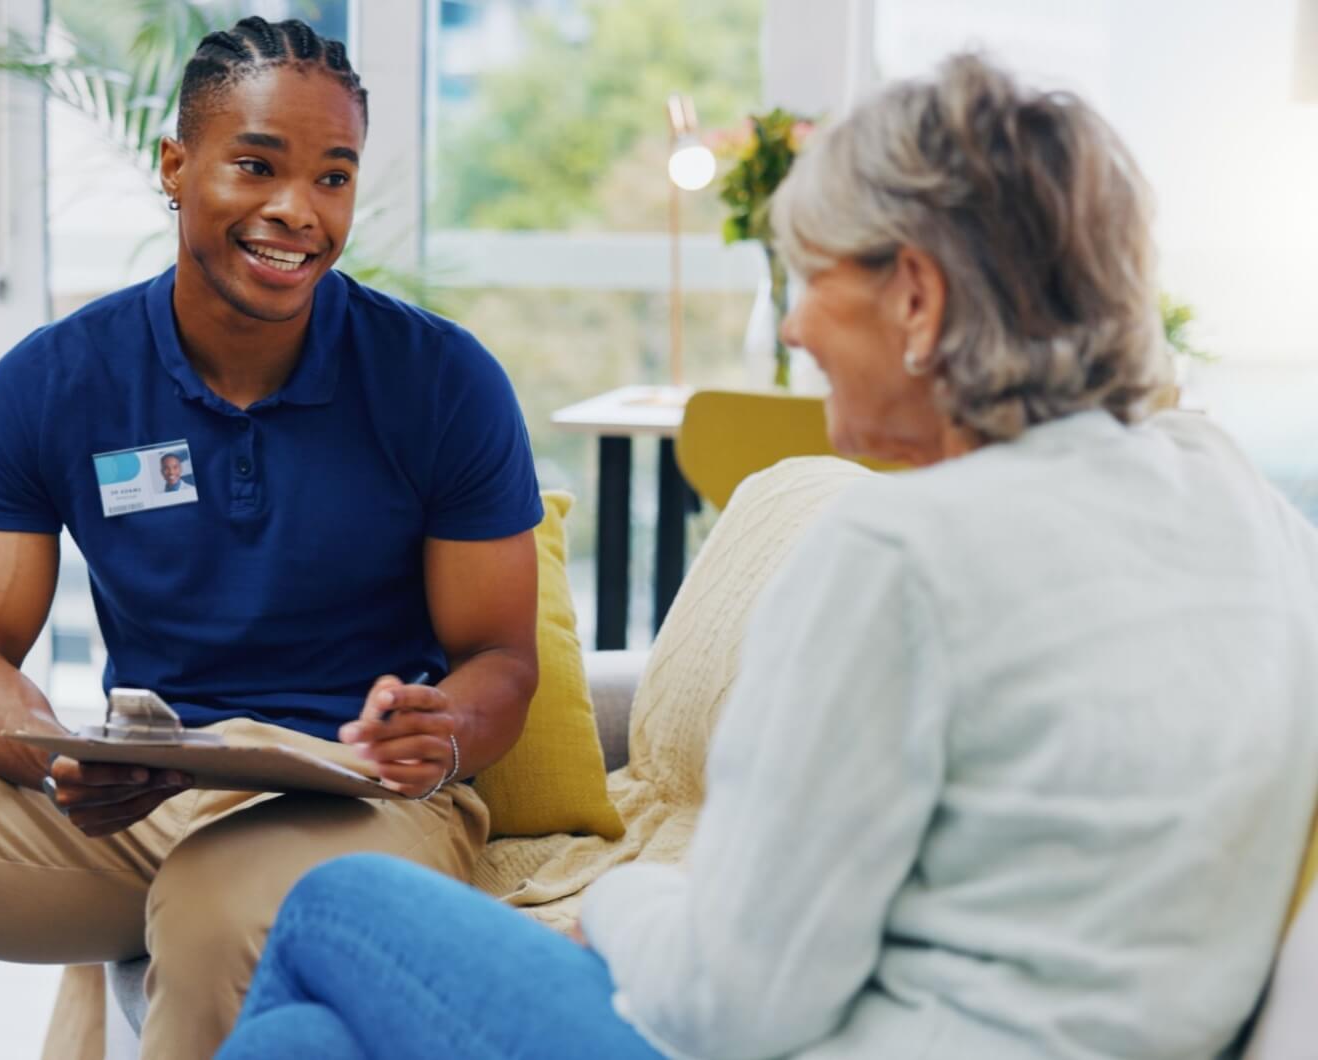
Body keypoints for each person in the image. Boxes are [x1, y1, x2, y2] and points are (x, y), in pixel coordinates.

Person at [215, 53, 1318, 1060]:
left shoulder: (899, 553)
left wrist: (622, 905)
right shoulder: (1246, 507)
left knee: (336, 901)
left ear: (917, 297)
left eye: (807, 279)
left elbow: (732, 1007)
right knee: (309, 1043)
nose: (792, 330)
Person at [0, 16, 542, 1060]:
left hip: (360, 802)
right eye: (256, 165)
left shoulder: (441, 379)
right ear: (175, 163)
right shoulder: (54, 379)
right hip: (142, 797)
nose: (298, 211)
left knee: (211, 907)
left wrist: (444, 730)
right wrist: (52, 753)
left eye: (333, 178)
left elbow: (503, 660)